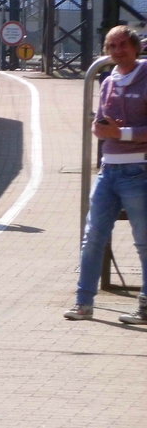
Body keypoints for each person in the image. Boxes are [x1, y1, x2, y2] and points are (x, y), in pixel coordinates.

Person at [64, 24, 147, 323]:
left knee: (143, 240)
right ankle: (83, 303)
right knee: (92, 237)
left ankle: (145, 307)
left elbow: (124, 131)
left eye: (122, 45)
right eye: (111, 46)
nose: (116, 51)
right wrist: (98, 129)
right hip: (108, 170)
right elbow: (102, 124)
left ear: (135, 47)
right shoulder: (109, 80)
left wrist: (120, 133)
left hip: (138, 170)